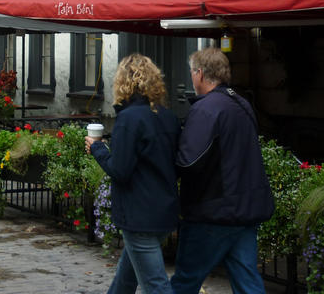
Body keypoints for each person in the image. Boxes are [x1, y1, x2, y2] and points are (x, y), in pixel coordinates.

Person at [170, 47, 275, 294]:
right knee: (248, 283)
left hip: (213, 211)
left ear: (200, 74)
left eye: (192, 72)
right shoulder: (241, 103)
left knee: (185, 282)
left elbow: (188, 161)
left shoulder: (206, 108)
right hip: (244, 208)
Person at [85, 53, 180, 294]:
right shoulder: (167, 117)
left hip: (139, 215)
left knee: (156, 285)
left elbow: (120, 169)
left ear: (123, 82)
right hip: (163, 210)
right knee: (125, 280)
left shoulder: (129, 119)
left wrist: (97, 148)